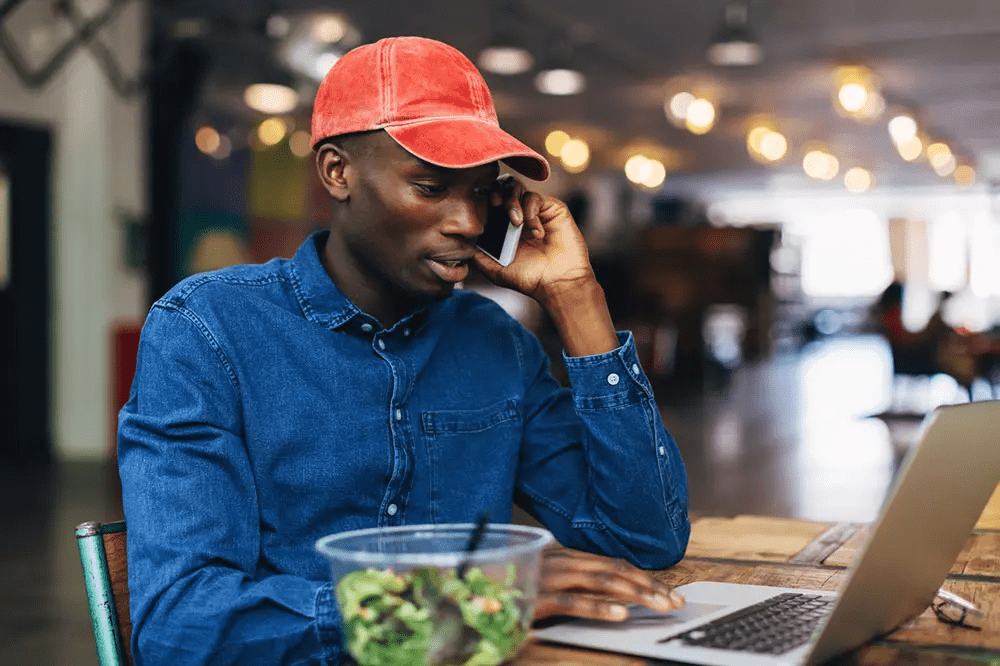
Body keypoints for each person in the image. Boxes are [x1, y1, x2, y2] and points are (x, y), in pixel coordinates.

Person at [118, 36, 690, 665]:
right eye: (429, 187)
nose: (469, 223)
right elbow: (180, 625)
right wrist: (450, 602)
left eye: (480, 193)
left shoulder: (495, 342)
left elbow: (644, 540)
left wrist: (576, 298)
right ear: (338, 172)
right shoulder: (207, 329)